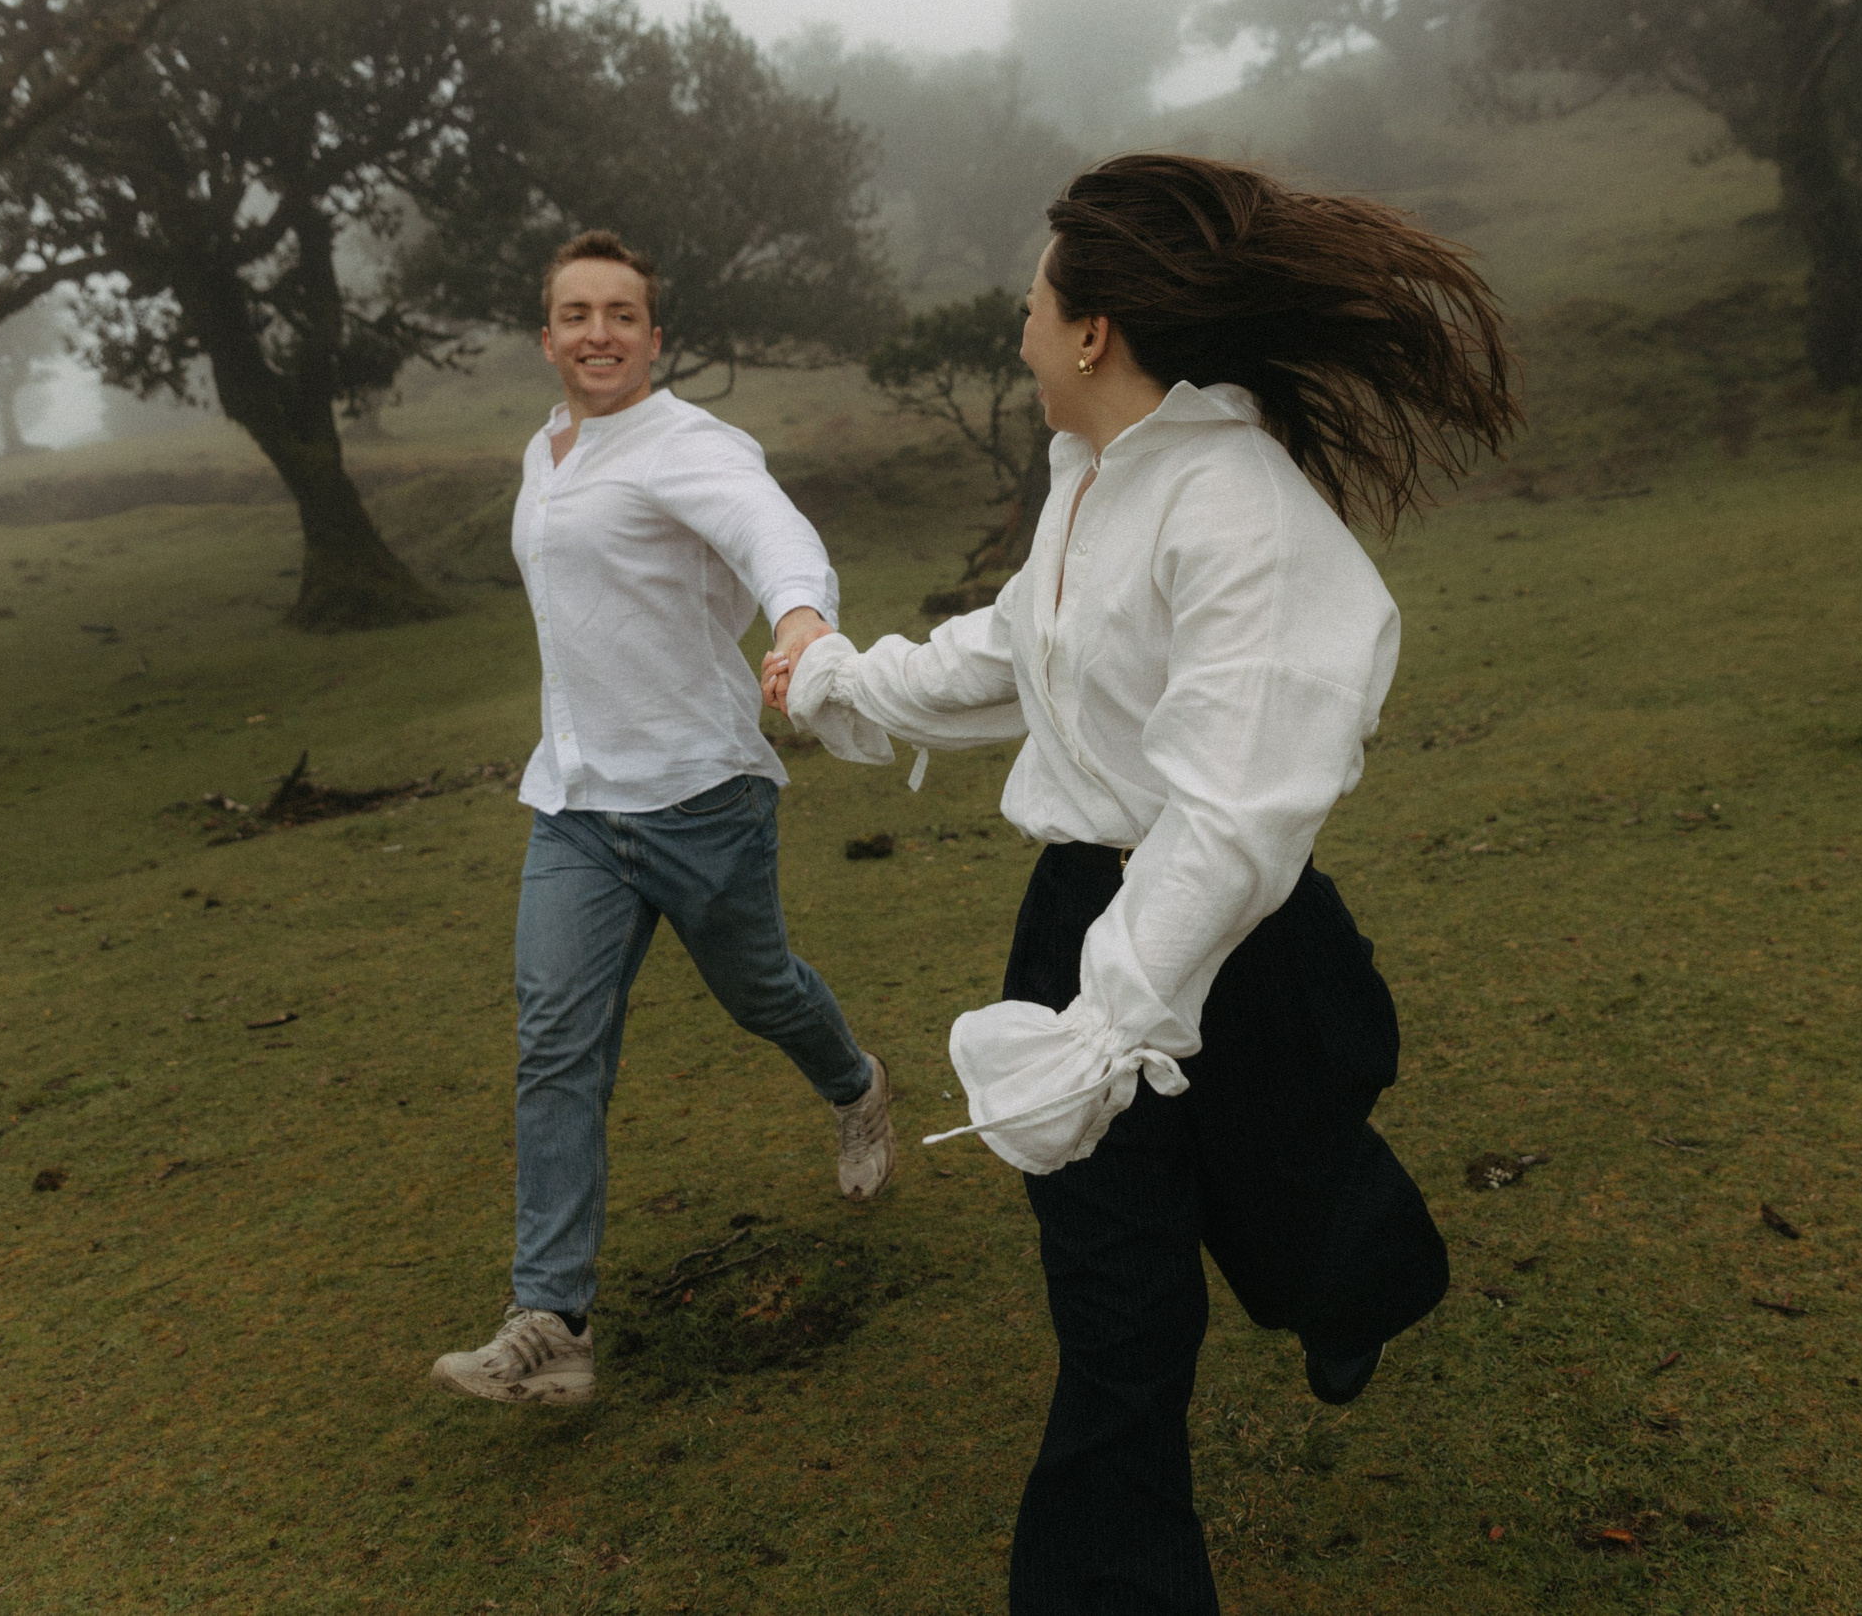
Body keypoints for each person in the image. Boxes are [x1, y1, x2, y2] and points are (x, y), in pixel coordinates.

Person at [765, 155, 1518, 1613]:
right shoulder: (1093, 484)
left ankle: (1365, 1279)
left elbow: (1236, 816)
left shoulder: (1242, 512)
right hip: (1081, 921)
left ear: (1095, 327)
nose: (1022, 330)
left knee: (1301, 1207)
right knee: (1117, 1303)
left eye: (1033, 305)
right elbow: (1016, 653)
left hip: (1239, 943)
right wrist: (845, 684)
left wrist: (1111, 1026)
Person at [430, 230, 896, 1409]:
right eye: (576, 314)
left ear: (652, 335)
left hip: (700, 797)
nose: (598, 333)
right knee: (557, 1045)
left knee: (763, 992)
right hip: (574, 803)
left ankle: (854, 1088)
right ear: (547, 338)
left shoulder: (690, 444)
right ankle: (553, 1322)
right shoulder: (549, 450)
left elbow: (769, 532)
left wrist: (797, 622)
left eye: (621, 315)